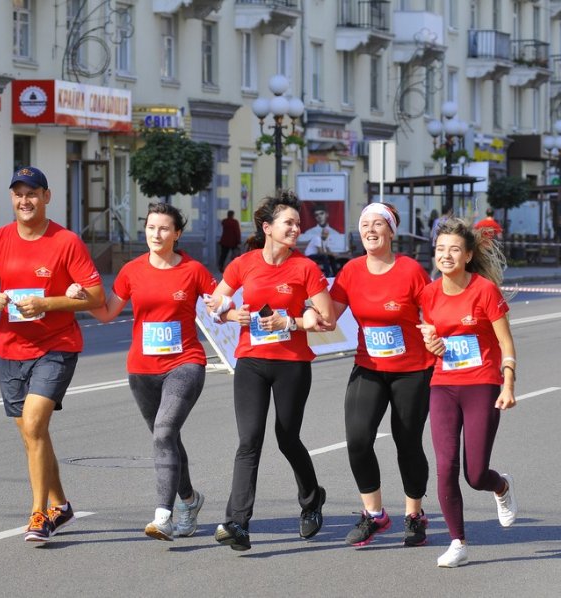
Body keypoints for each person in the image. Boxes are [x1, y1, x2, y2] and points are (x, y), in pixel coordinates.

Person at [0, 166, 105, 542]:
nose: (25, 201)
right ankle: (62, 506)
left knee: (35, 425)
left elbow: (96, 297)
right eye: (19, 194)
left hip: (56, 346)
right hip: (12, 348)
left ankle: (39, 515)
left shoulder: (66, 241)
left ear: (46, 197)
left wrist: (47, 302)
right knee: (31, 434)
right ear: (12, 198)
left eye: (32, 194)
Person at [66, 203, 214, 542]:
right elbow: (107, 313)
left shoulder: (193, 270)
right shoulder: (131, 271)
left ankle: (163, 516)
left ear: (177, 234)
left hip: (185, 363)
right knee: (167, 438)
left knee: (163, 432)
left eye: (164, 228)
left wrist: (228, 308)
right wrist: (80, 297)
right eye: (151, 228)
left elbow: (218, 303)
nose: (156, 234)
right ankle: (190, 499)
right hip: (142, 369)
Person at [205, 189, 335, 551]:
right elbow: (215, 305)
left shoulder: (305, 268)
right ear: (268, 228)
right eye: (288, 223)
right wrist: (232, 313)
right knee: (249, 440)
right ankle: (237, 522)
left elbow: (327, 319)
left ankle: (312, 499)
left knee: (287, 437)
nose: (295, 228)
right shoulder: (243, 263)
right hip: (251, 361)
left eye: (297, 223)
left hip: (292, 364)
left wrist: (290, 322)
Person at [328, 203, 435, 547]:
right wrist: (299, 311)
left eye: (378, 224)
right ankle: (374, 515)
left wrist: (439, 335)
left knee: (408, 442)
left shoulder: (411, 270)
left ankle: (414, 515)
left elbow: (434, 312)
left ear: (391, 231)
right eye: (364, 224)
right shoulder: (351, 271)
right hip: (369, 367)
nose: (370, 230)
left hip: (412, 370)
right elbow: (329, 315)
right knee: (358, 440)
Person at [417, 217, 518, 568]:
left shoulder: (484, 291)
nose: (446, 255)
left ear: (468, 255)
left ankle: (501, 486)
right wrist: (432, 345)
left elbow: (506, 343)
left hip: (482, 384)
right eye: (440, 249)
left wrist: (508, 384)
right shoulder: (429, 294)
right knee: (445, 466)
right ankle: (457, 541)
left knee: (475, 475)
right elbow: (434, 341)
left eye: (454, 249)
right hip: (443, 385)